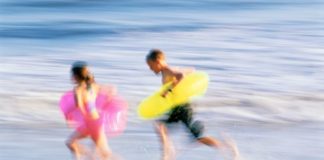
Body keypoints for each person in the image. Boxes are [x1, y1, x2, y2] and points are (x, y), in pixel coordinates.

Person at [146, 49, 239, 160]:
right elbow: (191, 70)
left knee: (199, 138)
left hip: (183, 108)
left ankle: (228, 147)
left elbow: (181, 76)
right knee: (160, 126)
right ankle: (167, 154)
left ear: (158, 61)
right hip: (177, 107)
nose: (150, 69)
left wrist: (168, 90)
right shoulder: (168, 71)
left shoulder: (167, 70)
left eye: (151, 66)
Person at [65, 61, 111, 160]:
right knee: (101, 153)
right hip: (96, 121)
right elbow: (106, 93)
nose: (71, 77)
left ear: (76, 76)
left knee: (98, 154)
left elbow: (80, 106)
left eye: (72, 74)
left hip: (90, 123)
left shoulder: (78, 89)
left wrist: (68, 115)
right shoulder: (93, 86)